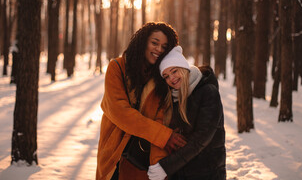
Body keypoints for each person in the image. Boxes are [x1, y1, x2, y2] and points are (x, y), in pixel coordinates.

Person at [96, 22, 187, 180]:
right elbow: (120, 112)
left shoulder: (162, 77)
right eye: (154, 43)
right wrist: (163, 135)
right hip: (115, 151)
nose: (158, 49)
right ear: (143, 41)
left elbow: (162, 117)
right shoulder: (117, 67)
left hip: (143, 157)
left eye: (164, 47)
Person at [147, 46, 226, 180]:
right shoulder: (174, 97)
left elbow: (202, 138)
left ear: (184, 67)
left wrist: (166, 166)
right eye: (166, 76)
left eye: (174, 71)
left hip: (207, 173)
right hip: (182, 172)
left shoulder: (208, 92)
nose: (171, 78)